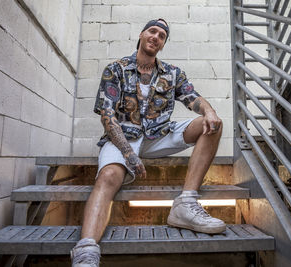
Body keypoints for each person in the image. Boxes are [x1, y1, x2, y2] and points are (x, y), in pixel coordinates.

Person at [71, 18, 225, 267]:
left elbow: (193, 98)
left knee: (213, 124)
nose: (156, 36)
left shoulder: (172, 73)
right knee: (109, 175)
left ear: (163, 44)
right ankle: (86, 250)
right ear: (142, 35)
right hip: (123, 137)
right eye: (152, 31)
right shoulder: (116, 69)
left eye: (162, 35)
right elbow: (107, 116)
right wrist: (128, 153)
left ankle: (186, 202)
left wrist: (209, 111)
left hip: (160, 135)